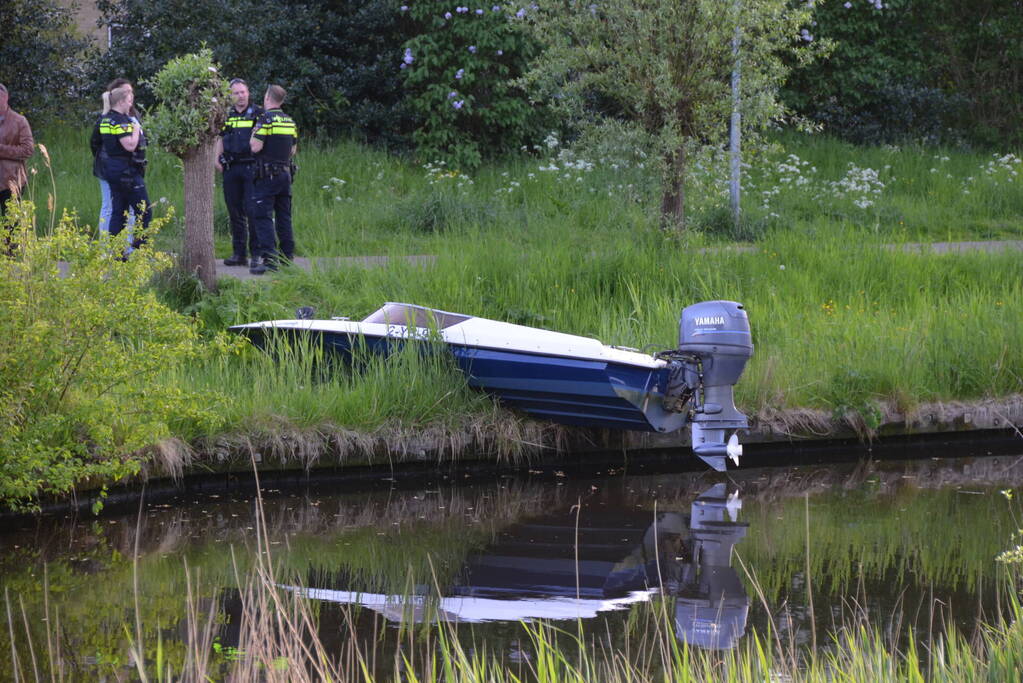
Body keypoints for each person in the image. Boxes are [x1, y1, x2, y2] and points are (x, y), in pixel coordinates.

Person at [248, 84, 297, 275]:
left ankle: (270, 261)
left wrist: (254, 133)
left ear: (268, 98)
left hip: (267, 175)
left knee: (263, 216)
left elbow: (255, 146)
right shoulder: (289, 121)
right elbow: (293, 150)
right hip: (285, 174)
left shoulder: (265, 119)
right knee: (284, 216)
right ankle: (287, 257)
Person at [215, 78, 263, 267]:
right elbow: (219, 137)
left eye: (243, 92)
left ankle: (257, 254)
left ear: (248, 93)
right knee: (234, 211)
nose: (241, 96)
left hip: (252, 167)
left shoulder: (258, 113)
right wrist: (215, 159)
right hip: (231, 167)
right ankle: (239, 253)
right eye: (236, 93)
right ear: (230, 96)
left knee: (253, 211)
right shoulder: (226, 114)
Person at [99, 85, 150, 256]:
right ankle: (140, 250)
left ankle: (117, 253)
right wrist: (136, 129)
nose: (130, 104)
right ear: (121, 101)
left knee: (119, 212)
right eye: (129, 101)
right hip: (126, 171)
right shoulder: (120, 121)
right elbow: (129, 145)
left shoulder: (106, 119)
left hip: (114, 169)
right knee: (144, 210)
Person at [0, 83, 35, 252]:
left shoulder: (19, 121)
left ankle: (10, 259)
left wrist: (2, 150)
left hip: (12, 180)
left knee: (11, 222)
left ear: (6, 98)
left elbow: (28, 150)